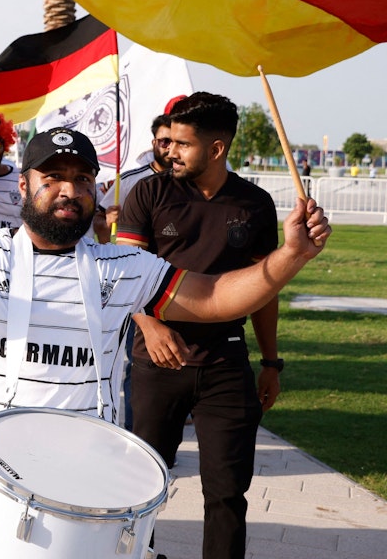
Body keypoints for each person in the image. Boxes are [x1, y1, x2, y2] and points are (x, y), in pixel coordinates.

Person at [0, 127, 330, 556]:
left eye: (81, 179)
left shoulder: (125, 266)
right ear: (23, 184)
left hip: (92, 497)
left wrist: (290, 256)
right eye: (51, 178)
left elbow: (216, 298)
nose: (68, 190)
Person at [116, 93, 282, 559]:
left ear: (216, 149)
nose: (170, 151)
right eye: (169, 142)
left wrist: (271, 363)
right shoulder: (148, 193)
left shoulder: (255, 204)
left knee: (228, 494)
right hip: (155, 362)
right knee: (139, 486)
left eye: (182, 144)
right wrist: (148, 326)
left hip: (227, 364)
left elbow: (264, 291)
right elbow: (122, 270)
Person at [95, 112, 175, 243]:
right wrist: (107, 223)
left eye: (176, 142)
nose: (170, 147)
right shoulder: (128, 181)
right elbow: (100, 219)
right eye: (165, 142)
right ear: (154, 143)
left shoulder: (193, 179)